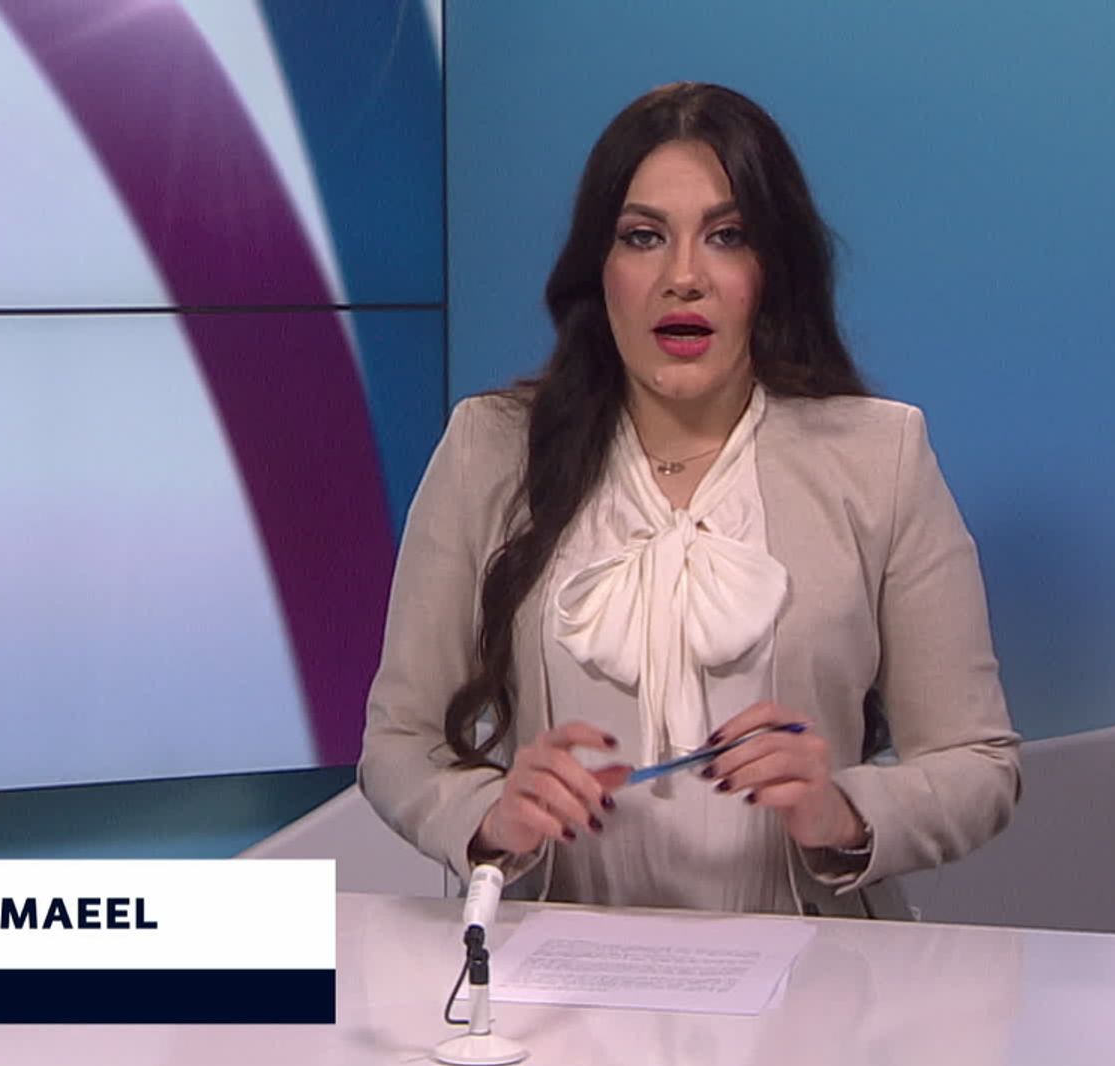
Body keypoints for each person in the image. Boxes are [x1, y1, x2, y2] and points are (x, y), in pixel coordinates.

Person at [359, 82, 1020, 918]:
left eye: (727, 237)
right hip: (556, 973)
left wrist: (843, 811)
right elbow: (398, 743)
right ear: (600, 270)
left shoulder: (879, 456)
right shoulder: (488, 449)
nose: (683, 278)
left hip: (815, 974)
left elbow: (977, 762)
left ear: (772, 270)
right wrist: (489, 816)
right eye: (643, 238)